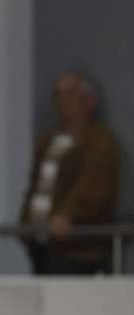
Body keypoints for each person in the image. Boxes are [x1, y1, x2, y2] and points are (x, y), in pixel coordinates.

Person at [20, 72, 120, 275]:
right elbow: (36, 186)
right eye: (58, 95)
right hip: (42, 244)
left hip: (78, 249)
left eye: (70, 94)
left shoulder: (101, 143)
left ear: (89, 100)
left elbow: (94, 186)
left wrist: (69, 215)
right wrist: (25, 222)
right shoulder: (48, 140)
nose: (63, 101)